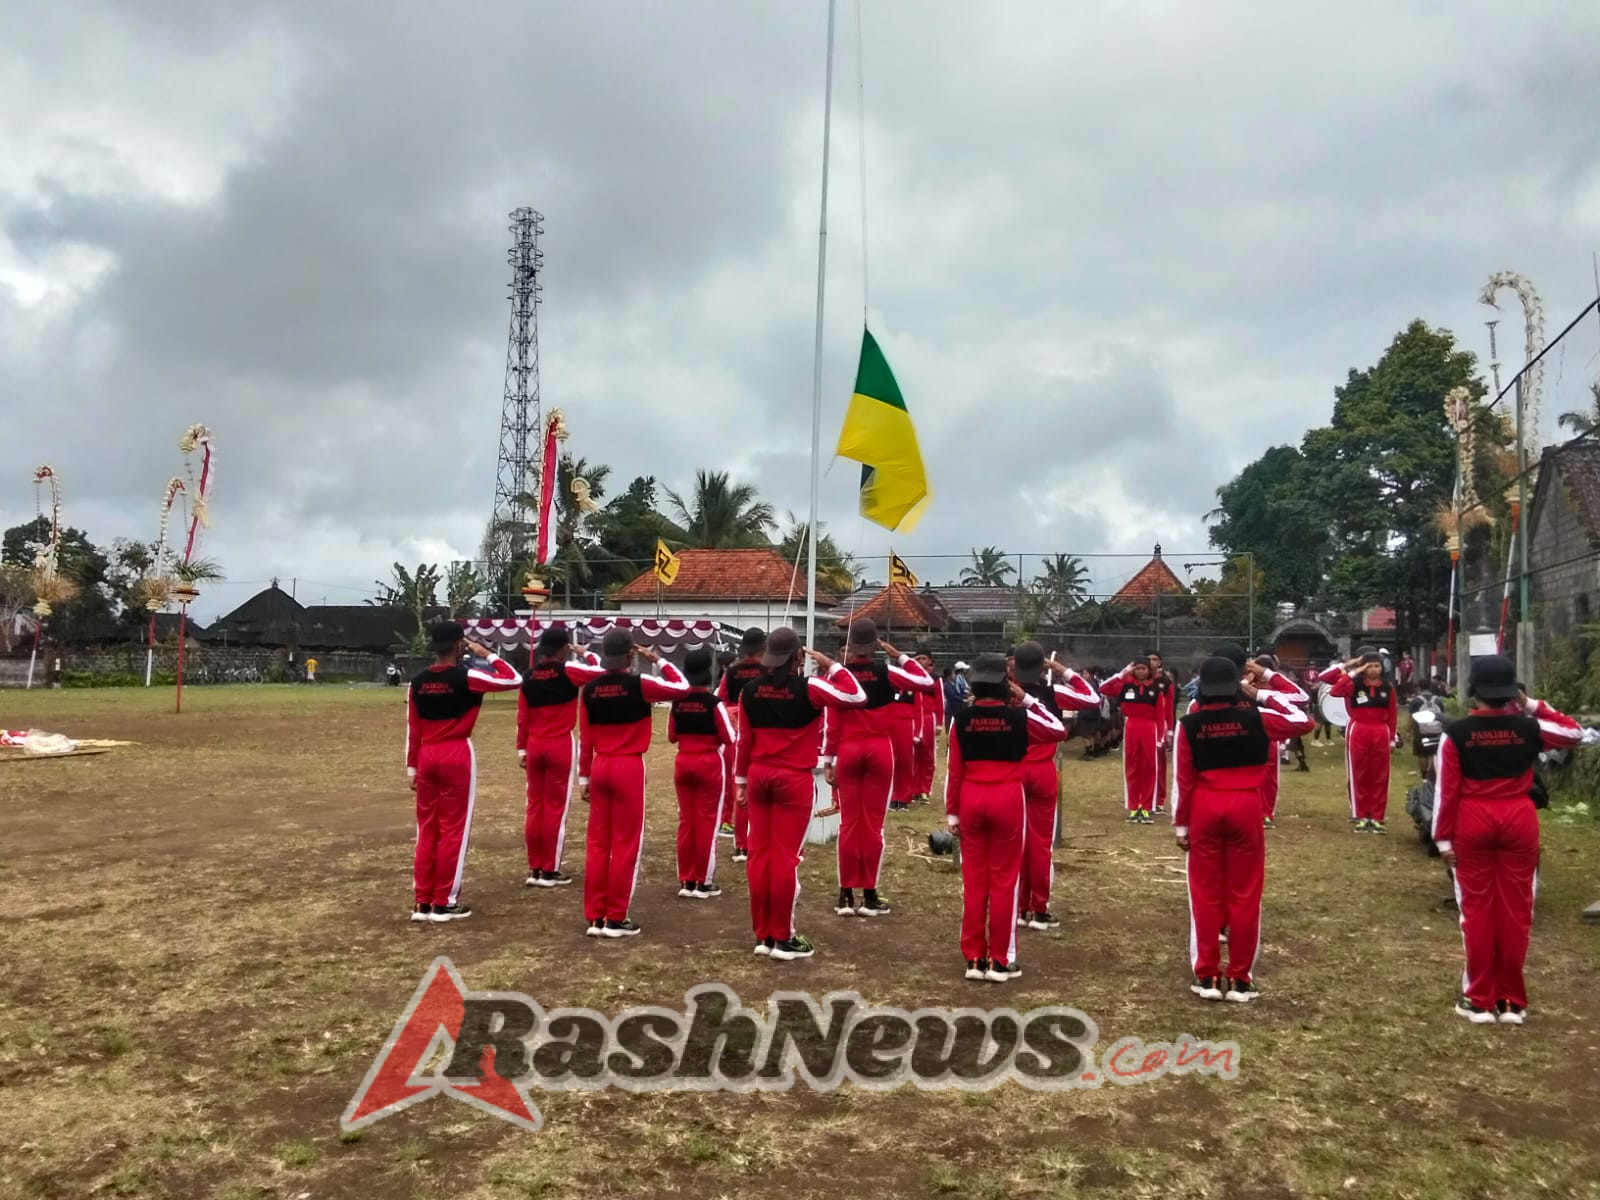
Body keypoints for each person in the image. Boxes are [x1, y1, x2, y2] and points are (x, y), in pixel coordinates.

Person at [1431, 657, 1581, 1024]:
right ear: (1511, 691)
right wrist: (1531, 705)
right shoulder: (1530, 728)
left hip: (1473, 820)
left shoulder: (1456, 733)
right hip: (1519, 817)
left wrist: (1443, 842)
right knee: (1517, 910)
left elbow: (1445, 792)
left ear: (1472, 691)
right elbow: (1574, 732)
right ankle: (1512, 1002)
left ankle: (1479, 1000)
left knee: (1477, 912)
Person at [1175, 656, 1314, 1002]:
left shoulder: (1189, 723)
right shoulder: (1258, 718)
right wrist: (1262, 694)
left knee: (1204, 895)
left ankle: (1206, 976)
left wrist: (1181, 826)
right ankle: (1239, 978)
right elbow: (1303, 720)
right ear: (1238, 684)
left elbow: (1183, 778)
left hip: (1204, 807)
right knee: (1245, 893)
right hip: (1247, 806)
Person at [735, 627, 866, 961]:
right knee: (785, 858)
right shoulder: (810, 688)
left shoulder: (749, 690)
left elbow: (744, 741)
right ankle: (783, 936)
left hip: (758, 775)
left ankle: (763, 934)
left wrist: (739, 782)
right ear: (797, 657)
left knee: (759, 855)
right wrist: (831, 665)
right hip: (792, 779)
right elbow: (855, 696)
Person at [944, 653, 1069, 981]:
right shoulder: (1021, 718)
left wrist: (952, 814)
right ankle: (1000, 959)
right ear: (1005, 683)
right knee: (1004, 881)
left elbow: (953, 770)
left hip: (971, 797)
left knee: (974, 881)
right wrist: (1026, 699)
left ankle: (973, 957)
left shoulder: (961, 718)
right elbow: (1058, 731)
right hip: (1008, 797)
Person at [576, 629, 691, 938]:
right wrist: (659, 660)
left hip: (600, 765)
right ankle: (615, 917)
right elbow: (682, 688)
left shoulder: (589, 690)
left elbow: (585, 737)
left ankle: (595, 915)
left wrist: (584, 776)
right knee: (626, 843)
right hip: (628, 765)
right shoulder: (639, 685)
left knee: (598, 843)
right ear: (630, 655)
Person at [405, 622, 523, 923]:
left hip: (427, 754)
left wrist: (412, 767)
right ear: (459, 646)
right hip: (456, 752)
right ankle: (444, 900)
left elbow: (413, 728)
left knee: (427, 829)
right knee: (453, 829)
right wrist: (488, 654)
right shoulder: (468, 677)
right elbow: (514, 679)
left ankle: (423, 900)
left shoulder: (417, 682)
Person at [820, 620, 935, 917]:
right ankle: (869, 894)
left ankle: (845, 894)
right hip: (879, 749)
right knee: (873, 825)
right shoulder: (888, 672)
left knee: (848, 823)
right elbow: (925, 682)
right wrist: (900, 656)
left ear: (850, 646)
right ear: (874, 645)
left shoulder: (840, 677)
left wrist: (828, 760)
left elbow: (831, 722)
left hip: (848, 748)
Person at [1010, 642, 1100, 930]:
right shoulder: (1053, 692)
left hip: (1011, 771)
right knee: (1041, 841)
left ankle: (1019, 905)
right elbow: (1092, 698)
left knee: (1015, 841)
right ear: (1042, 667)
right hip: (1042, 771)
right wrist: (1064, 671)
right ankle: (1039, 907)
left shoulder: (1002, 694)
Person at [517, 627, 599, 888]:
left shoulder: (528, 677)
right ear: (564, 649)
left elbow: (522, 717)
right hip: (560, 743)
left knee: (535, 806)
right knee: (555, 807)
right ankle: (549, 868)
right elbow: (600, 672)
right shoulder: (568, 671)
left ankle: (534, 866)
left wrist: (522, 749)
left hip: (534, 743)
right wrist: (587, 654)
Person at [668, 648, 737, 900]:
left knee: (686, 821)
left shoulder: (677, 702)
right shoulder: (714, 704)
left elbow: (671, 735)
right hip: (709, 763)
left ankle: (686, 879)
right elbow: (729, 738)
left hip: (683, 761)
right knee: (707, 821)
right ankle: (703, 882)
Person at [1320, 650, 1398, 832]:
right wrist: (1353, 668)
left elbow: (1393, 714)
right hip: (1358, 729)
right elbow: (1335, 690)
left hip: (1381, 730)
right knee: (1359, 773)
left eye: (1376, 666)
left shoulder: (1388, 687)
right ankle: (1361, 814)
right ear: (1362, 667)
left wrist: (1392, 738)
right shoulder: (1353, 684)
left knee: (1380, 775)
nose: (1373, 670)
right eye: (1369, 666)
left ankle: (1377, 816)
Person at [717, 628, 769, 863]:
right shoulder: (769, 670)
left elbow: (721, 698)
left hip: (735, 734)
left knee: (739, 789)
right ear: (762, 647)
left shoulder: (732, 671)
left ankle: (740, 845)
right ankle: (757, 840)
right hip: (762, 733)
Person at [1248, 654, 1310, 828]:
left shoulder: (1273, 691)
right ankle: (1252, 811)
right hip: (1246, 737)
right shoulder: (1242, 688)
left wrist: (1268, 679)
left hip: (1269, 737)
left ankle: (1267, 813)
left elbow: (1301, 697)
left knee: (1269, 777)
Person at [1101, 656, 1166, 822]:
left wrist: (1160, 738)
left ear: (1149, 670)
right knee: (1131, 767)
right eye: (1137, 668)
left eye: (1143, 668)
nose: (1140, 671)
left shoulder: (1156, 688)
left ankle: (1146, 806)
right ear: (1133, 669)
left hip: (1150, 728)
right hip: (1131, 727)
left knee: (1149, 768)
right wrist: (1123, 673)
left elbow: (1160, 715)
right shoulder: (1125, 685)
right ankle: (1133, 806)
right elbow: (1103, 688)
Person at [912, 650, 944, 804]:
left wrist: (939, 723)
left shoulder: (934, 679)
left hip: (928, 718)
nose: (920, 661)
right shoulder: (910, 676)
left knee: (927, 755)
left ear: (930, 660)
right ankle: (913, 788)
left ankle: (924, 789)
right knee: (912, 755)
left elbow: (939, 701)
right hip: (913, 719)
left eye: (923, 658)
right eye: (917, 658)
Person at [1147, 651, 1177, 814]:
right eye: (1149, 659)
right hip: (1144, 726)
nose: (1152, 662)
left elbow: (1170, 708)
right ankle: (1144, 797)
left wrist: (1170, 730)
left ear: (1160, 662)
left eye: (1155, 659)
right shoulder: (1140, 679)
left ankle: (1159, 800)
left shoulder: (1165, 682)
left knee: (1159, 764)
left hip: (1161, 726)